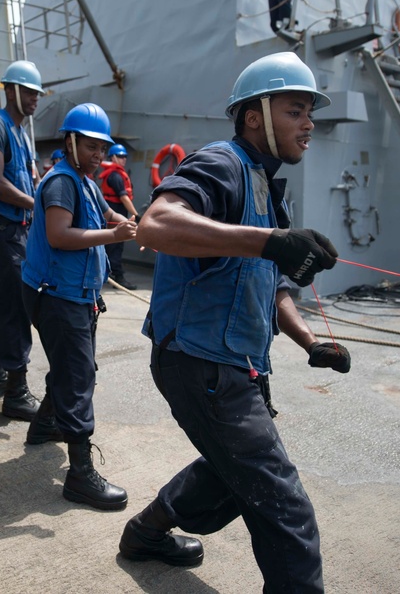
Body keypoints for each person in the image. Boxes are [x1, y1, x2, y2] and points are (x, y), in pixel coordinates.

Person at [117, 52, 351, 590]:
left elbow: (270, 288)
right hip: (200, 362)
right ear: (254, 116)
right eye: (296, 110)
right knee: (286, 511)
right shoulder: (221, 163)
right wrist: (270, 241)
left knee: (231, 469)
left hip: (235, 363)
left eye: (310, 111)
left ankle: (147, 533)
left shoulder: (267, 189)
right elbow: (155, 225)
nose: (309, 122)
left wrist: (312, 343)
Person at [21, 103, 136, 510]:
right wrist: (112, 237)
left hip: (77, 295)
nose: (98, 156)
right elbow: (59, 236)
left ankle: (43, 426)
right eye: (90, 147)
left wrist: (131, 221)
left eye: (102, 149)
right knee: (78, 375)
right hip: (56, 296)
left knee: (72, 366)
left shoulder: (86, 180)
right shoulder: (60, 183)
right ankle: (80, 474)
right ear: (70, 143)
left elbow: (106, 214)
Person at [0, 60, 45, 420]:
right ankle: (16, 392)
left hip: (11, 229)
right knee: (14, 306)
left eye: (37, 94)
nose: (35, 99)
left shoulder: (21, 134)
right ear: (10, 90)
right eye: (29, 92)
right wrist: (39, 205)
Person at [99, 143, 140, 290]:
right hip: (115, 214)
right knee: (115, 246)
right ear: (113, 157)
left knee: (113, 245)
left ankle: (109, 273)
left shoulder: (116, 174)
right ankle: (117, 275)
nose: (123, 159)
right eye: (121, 156)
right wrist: (136, 215)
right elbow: (124, 197)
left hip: (117, 213)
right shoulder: (115, 176)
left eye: (125, 157)